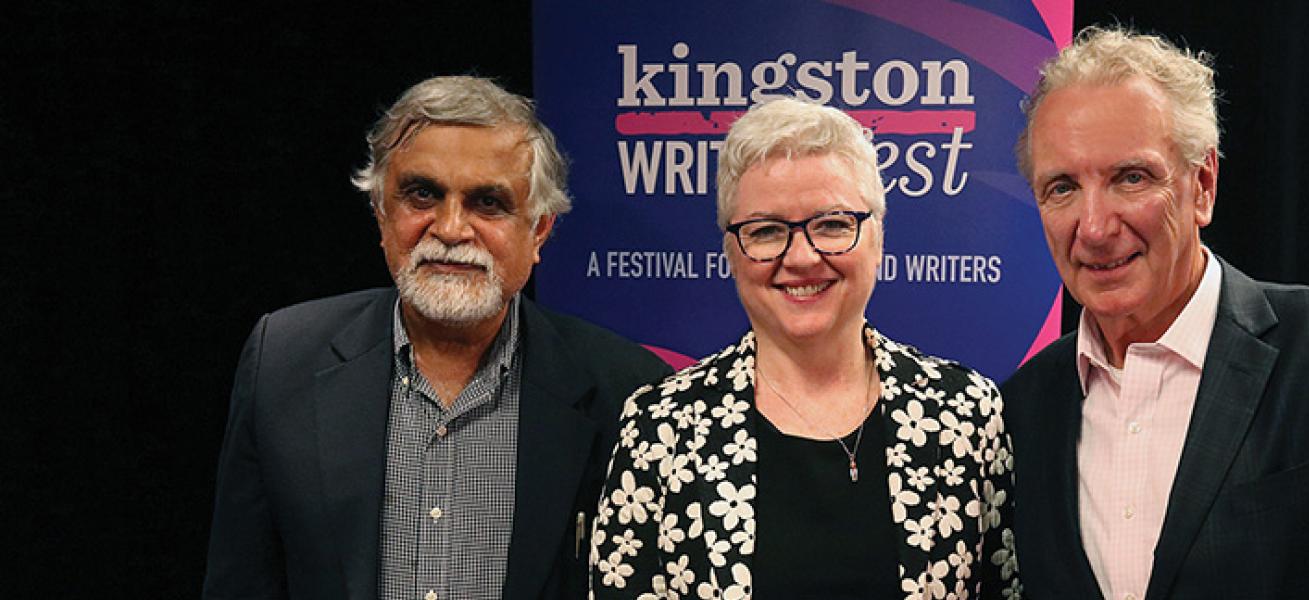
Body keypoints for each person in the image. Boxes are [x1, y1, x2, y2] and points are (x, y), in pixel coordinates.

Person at [1001, 27, 1309, 599]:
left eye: (1131, 178)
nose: (1096, 227)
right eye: (1062, 188)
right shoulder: (1023, 407)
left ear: (1202, 185)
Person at [203, 76, 673, 600]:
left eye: (488, 203)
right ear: (381, 211)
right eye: (422, 194)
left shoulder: (629, 391)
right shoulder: (283, 359)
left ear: (539, 230)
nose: (450, 228)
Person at [588, 97, 1020, 599]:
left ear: (877, 237)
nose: (801, 256)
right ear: (732, 251)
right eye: (767, 231)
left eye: (832, 224)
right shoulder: (660, 424)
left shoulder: (965, 413)